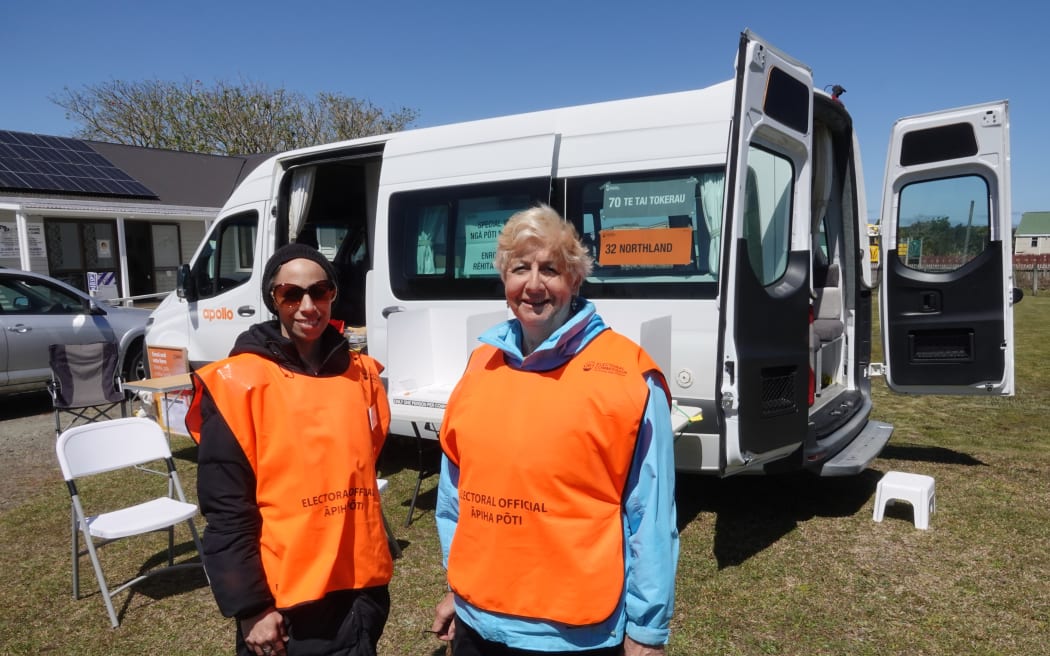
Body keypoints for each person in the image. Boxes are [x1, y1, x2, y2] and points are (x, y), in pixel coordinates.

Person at [430, 204, 679, 655]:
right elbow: (454, 496)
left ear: (576, 280)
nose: (533, 285)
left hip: (574, 634)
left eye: (551, 269)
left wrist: (647, 630)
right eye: (520, 268)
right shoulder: (480, 364)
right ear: (504, 280)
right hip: (478, 623)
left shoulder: (630, 376)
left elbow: (651, 516)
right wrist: (458, 587)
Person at [187, 243, 393, 656]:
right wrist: (252, 606)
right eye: (291, 294)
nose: (307, 306)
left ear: (332, 295)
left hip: (359, 588)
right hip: (286, 603)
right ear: (272, 299)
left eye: (319, 292)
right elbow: (226, 509)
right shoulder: (238, 384)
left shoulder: (361, 376)